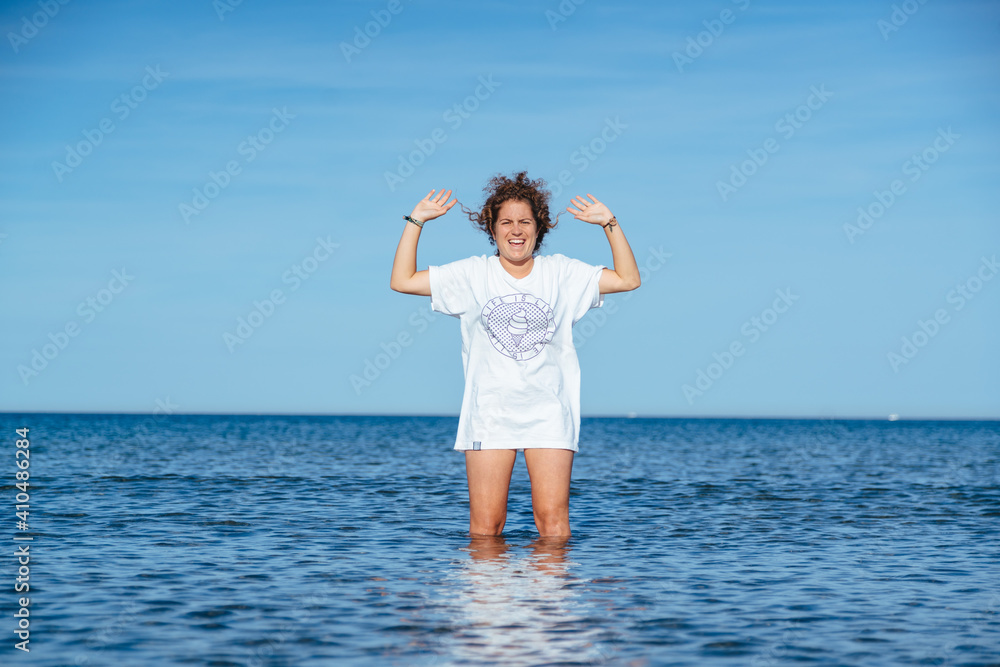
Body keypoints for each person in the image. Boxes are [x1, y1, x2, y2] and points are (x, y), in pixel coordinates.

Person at [389, 171, 640, 537]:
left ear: (539, 229)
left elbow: (628, 279)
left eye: (525, 221)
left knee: (553, 525)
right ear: (492, 229)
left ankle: (551, 595)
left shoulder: (562, 273)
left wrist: (610, 223)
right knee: (487, 527)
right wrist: (416, 222)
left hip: (549, 412)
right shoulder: (473, 274)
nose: (516, 230)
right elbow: (402, 280)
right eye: (506, 222)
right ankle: (489, 596)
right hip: (490, 412)